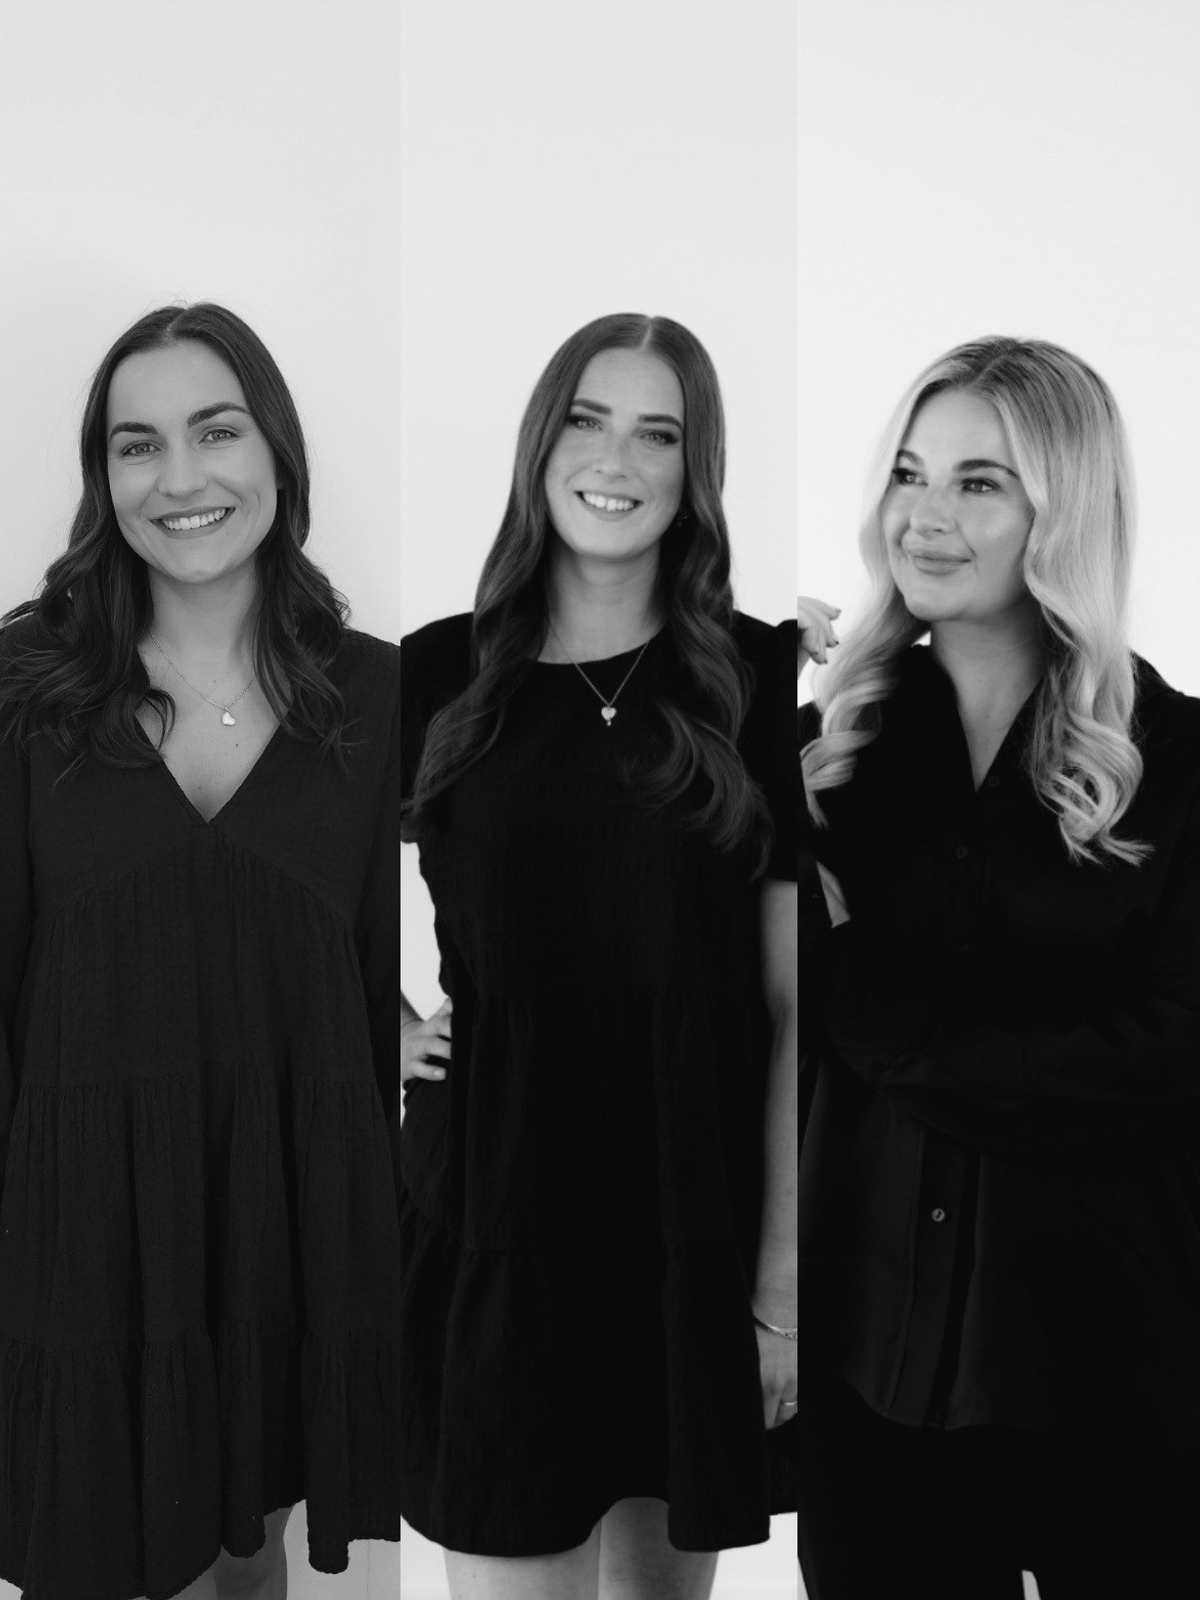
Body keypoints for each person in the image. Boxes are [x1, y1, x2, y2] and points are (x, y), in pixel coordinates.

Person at [0, 303, 400, 1600]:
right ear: (102, 475)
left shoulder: (385, 694)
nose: (179, 478)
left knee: (249, 1556)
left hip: (286, 1230)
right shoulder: (18, 688)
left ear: (277, 449)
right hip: (78, 1239)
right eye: (138, 445)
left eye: (215, 431)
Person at [399, 313, 799, 1600]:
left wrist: (779, 1285)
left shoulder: (758, 675)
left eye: (657, 433)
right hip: (497, 1207)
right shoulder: (434, 671)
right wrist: (376, 1019)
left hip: (690, 1215)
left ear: (695, 469)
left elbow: (790, 1001)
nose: (615, 458)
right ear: (540, 443)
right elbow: (285, 876)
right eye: (586, 418)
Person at [798, 337, 1200, 1598]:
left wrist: (871, 1008)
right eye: (909, 474)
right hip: (872, 1373)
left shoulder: (1180, 767)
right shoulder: (824, 760)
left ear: (1062, 509)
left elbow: (1166, 1061)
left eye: (979, 482)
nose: (924, 516)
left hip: (1117, 1376)